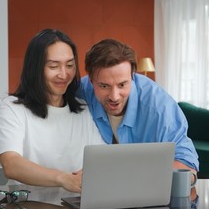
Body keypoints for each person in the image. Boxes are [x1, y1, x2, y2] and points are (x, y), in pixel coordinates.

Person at [0, 29, 105, 194]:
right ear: (35, 69)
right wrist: (62, 178)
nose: (64, 74)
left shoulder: (84, 109)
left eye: (69, 65)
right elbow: (11, 164)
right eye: (53, 66)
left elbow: (101, 160)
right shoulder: (12, 108)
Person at [79, 39, 199, 174]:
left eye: (122, 84)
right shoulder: (82, 90)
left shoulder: (160, 108)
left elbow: (188, 167)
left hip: (151, 190)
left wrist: (135, 173)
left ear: (132, 76)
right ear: (91, 80)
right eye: (104, 86)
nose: (114, 96)